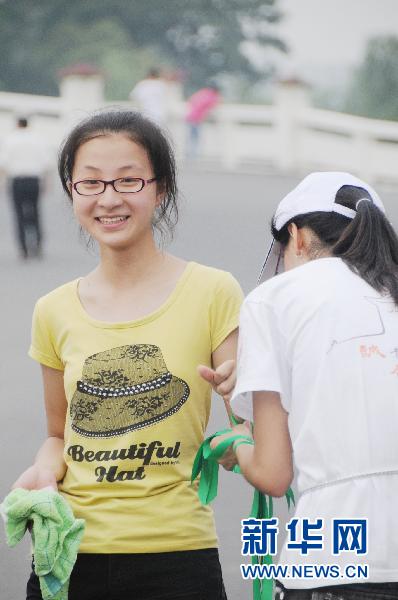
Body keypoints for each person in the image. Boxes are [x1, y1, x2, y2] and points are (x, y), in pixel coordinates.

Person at [11, 109, 243, 600]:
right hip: (70, 557)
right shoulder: (53, 310)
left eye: (129, 180)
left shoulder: (213, 292)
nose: (109, 199)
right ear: (71, 192)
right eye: (90, 183)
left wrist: (241, 412)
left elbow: (248, 432)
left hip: (180, 559)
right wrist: (42, 473)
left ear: (160, 189)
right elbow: (59, 435)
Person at [212, 172, 398, 599]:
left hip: (334, 564)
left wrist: (237, 441)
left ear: (295, 237)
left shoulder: (276, 297)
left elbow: (273, 474)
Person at [0, 117, 50, 259]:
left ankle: (23, 248)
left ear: (17, 124)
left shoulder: (10, 139)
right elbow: (46, 162)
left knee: (19, 214)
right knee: (35, 212)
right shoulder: (37, 139)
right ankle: (38, 244)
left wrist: (2, 183)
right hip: (34, 180)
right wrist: (46, 182)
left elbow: (3, 163)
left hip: (17, 181)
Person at [185, 84, 221, 159]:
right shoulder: (213, 97)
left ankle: (189, 154)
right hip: (197, 119)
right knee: (196, 137)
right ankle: (193, 155)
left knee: (191, 137)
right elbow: (212, 109)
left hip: (190, 116)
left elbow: (191, 100)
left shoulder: (203, 92)